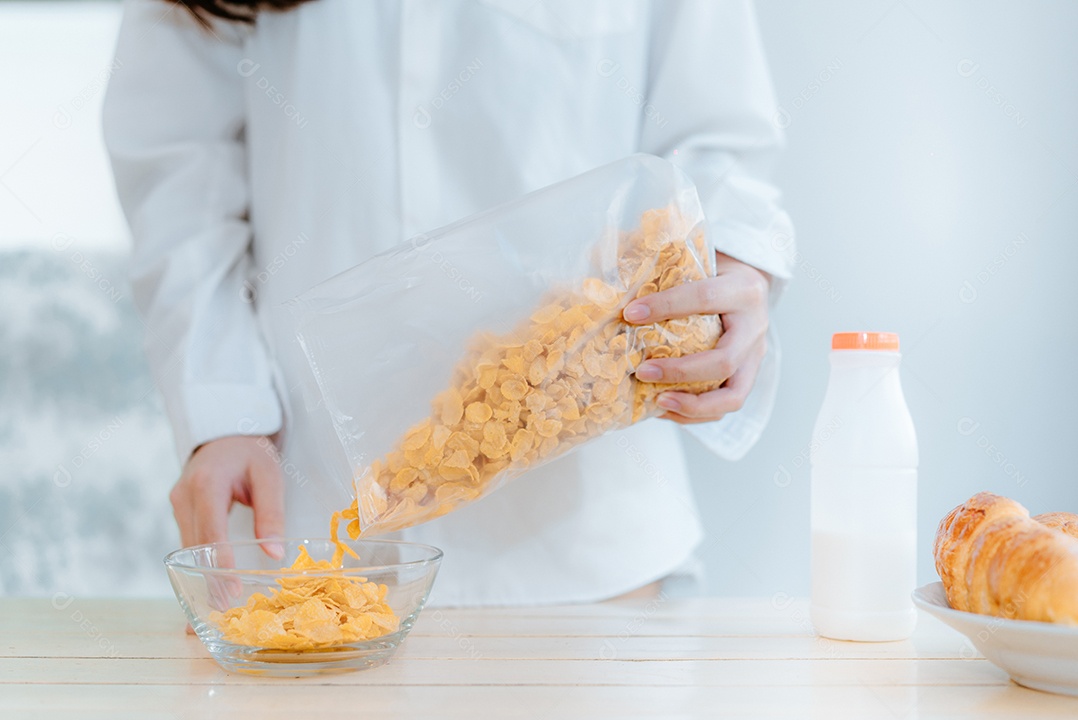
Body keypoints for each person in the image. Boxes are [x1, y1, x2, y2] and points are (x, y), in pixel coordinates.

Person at [104, 0, 795, 605]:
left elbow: (718, 145)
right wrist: (223, 408)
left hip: (587, 562)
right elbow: (178, 172)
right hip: (304, 531)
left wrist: (726, 278)